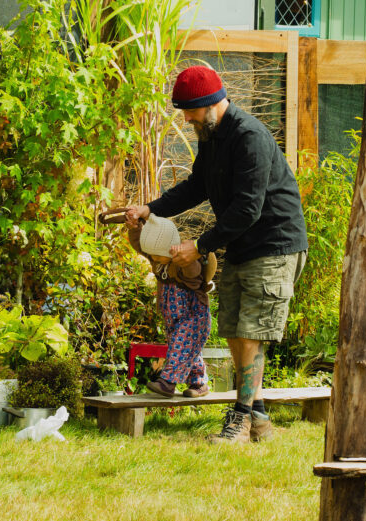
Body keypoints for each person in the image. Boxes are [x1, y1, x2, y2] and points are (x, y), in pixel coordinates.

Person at [126, 65, 308, 444]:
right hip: (242, 245)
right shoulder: (211, 137)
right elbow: (197, 187)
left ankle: (240, 422)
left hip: (274, 245)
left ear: (210, 104)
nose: (187, 118)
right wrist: (150, 208)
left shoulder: (250, 138)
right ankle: (257, 420)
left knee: (251, 334)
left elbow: (247, 210)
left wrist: (200, 245)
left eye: (190, 111)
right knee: (235, 333)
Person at [126, 214, 212, 398]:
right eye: (153, 255)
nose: (154, 258)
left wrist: (186, 257)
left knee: (180, 346)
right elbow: (140, 246)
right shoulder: (158, 261)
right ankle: (199, 383)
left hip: (194, 316)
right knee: (185, 349)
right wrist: (135, 229)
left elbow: (195, 271)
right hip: (172, 318)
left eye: (158, 254)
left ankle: (167, 383)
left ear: (170, 249)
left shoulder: (183, 264)